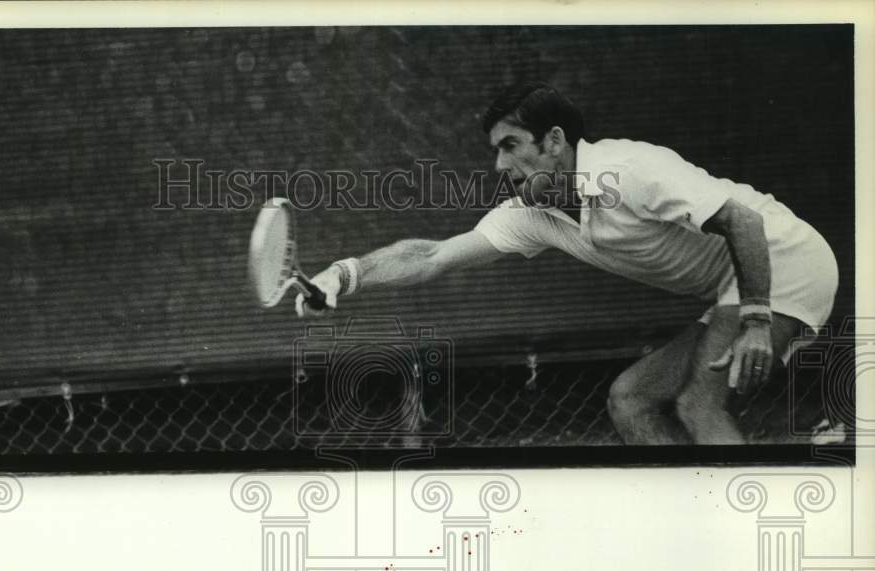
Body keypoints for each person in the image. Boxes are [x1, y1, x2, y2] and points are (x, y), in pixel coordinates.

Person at [294, 83, 838, 445]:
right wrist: (345, 273)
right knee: (631, 399)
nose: (500, 165)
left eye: (511, 146)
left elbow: (744, 222)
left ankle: (738, 528)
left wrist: (758, 320)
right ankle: (692, 502)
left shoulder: (629, 170)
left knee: (699, 403)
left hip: (786, 259)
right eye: (495, 152)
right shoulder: (533, 213)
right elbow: (433, 256)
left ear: (554, 142)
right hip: (732, 285)